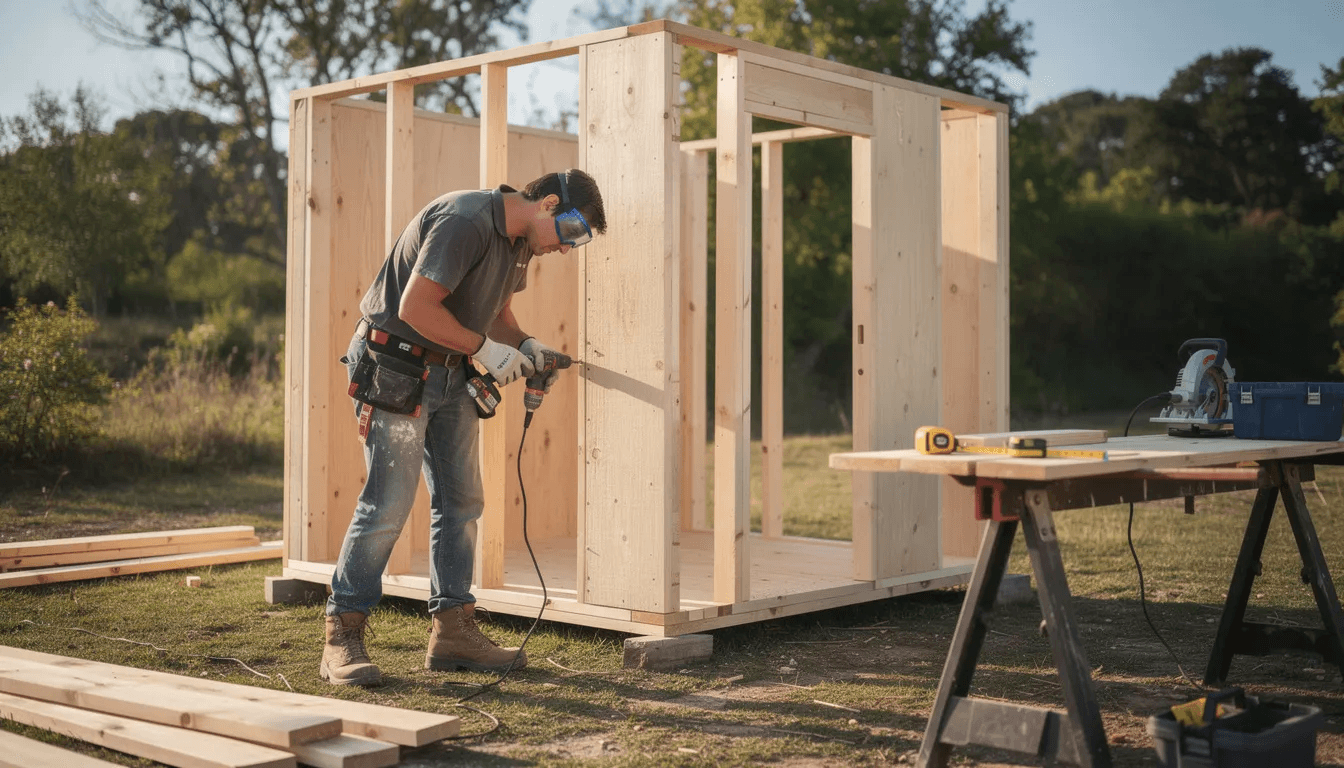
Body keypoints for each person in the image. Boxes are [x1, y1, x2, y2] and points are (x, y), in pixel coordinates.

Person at [321, 169, 608, 686]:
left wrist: (522, 344)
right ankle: (342, 634)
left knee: (461, 500)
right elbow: (415, 307)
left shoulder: (521, 243)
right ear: (547, 205)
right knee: (388, 501)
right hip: (397, 366)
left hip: (449, 370)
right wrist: (483, 349)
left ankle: (453, 631)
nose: (567, 249)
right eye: (571, 233)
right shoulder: (464, 221)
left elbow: (494, 310)